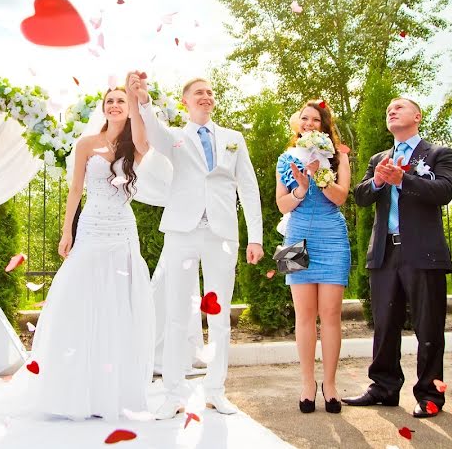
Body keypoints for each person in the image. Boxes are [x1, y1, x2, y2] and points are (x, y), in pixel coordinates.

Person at [127, 72, 263, 419]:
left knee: (219, 318)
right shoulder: (174, 137)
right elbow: (152, 131)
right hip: (181, 234)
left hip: (221, 235)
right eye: (198, 93)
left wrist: (256, 236)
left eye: (209, 92)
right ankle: (173, 393)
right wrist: (143, 99)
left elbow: (247, 187)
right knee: (175, 314)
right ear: (186, 101)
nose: (206, 96)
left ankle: (216, 391)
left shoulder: (234, 139)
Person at [26, 87, 155, 420]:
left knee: (118, 302)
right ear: (103, 108)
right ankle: (77, 387)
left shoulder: (137, 145)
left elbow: (144, 142)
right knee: (83, 298)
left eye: (120, 102)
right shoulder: (85, 144)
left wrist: (136, 97)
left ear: (129, 110)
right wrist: (67, 229)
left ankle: (114, 390)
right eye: (109, 101)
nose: (114, 105)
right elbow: (75, 189)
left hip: (123, 229)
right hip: (92, 227)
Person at [344, 97, 452, 419]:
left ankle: (430, 394)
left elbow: (445, 191)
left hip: (423, 252)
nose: (391, 111)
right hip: (385, 251)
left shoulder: (438, 154)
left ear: (417, 116)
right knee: (384, 324)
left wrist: (403, 180)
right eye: (388, 108)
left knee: (429, 325)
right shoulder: (380, 158)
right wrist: (379, 180)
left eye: (399, 107)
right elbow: (362, 197)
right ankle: (383, 387)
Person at [275, 101, 351, 414]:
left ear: (323, 125)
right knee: (303, 315)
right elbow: (282, 205)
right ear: (297, 124)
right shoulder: (285, 159)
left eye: (316, 119)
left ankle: (330, 385)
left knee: (330, 314)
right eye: (304, 118)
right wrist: (301, 189)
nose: (309, 123)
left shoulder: (338, 155)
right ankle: (308, 383)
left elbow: (341, 197)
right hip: (295, 238)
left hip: (332, 236)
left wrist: (321, 177)